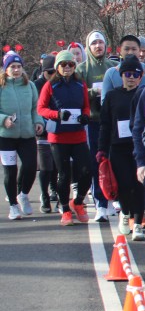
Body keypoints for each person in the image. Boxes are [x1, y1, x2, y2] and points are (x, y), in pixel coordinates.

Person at [36, 50, 92, 225]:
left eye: (71, 64)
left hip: (78, 135)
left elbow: (86, 106)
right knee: (64, 175)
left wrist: (85, 116)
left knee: (87, 171)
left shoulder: (80, 84)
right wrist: (57, 115)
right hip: (59, 138)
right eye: (63, 64)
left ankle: (78, 202)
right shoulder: (50, 86)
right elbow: (41, 108)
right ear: (57, 67)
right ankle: (66, 210)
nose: (67, 67)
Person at [97, 55, 145, 241]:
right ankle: (125, 214)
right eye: (127, 74)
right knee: (124, 185)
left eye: (135, 74)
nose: (131, 78)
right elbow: (105, 124)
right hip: (118, 147)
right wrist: (102, 149)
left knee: (139, 184)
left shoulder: (144, 94)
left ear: (140, 76)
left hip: (139, 147)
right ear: (121, 75)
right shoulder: (112, 96)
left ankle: (138, 223)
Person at [76, 30, 114, 221]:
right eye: (94, 43)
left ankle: (113, 198)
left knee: (114, 160)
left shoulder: (113, 67)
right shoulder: (82, 69)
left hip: (113, 122)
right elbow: (78, 94)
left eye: (100, 43)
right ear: (88, 47)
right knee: (96, 162)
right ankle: (100, 203)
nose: (98, 46)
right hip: (93, 122)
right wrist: (93, 91)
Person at [0, 52, 43, 219]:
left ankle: (23, 194)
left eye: (19, 67)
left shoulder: (29, 85)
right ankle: (13, 205)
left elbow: (35, 108)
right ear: (6, 69)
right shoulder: (2, 86)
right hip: (6, 137)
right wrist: (4, 119)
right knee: (10, 171)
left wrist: (38, 122)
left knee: (31, 166)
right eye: (12, 67)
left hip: (26, 135)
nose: (16, 70)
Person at [32, 54, 58, 213]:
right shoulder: (37, 85)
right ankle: (44, 195)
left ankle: (54, 190)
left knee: (56, 165)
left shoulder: (59, 83)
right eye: (49, 72)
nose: (52, 75)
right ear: (43, 72)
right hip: (42, 129)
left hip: (57, 128)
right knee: (45, 166)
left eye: (55, 72)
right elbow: (35, 107)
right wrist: (40, 122)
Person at [101, 35, 145, 100]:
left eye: (134, 49)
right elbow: (104, 101)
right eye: (126, 49)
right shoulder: (111, 73)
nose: (130, 52)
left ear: (139, 51)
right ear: (120, 51)